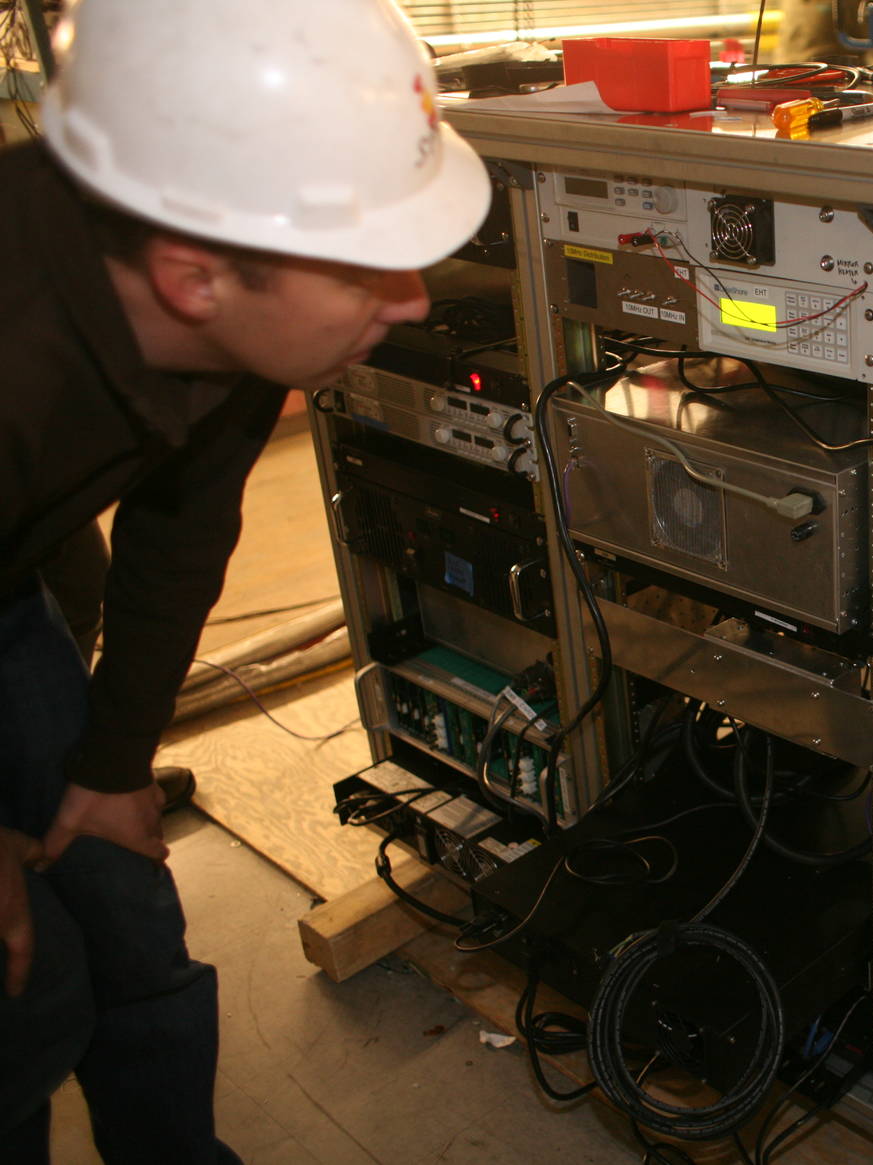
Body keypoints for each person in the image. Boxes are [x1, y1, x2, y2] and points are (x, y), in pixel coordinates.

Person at [0, 1, 489, 1160]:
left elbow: (181, 535)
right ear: (192, 277)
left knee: (119, 897)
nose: (415, 298)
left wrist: (115, 763)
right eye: (365, 265)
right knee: (23, 993)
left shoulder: (214, 308)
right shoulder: (16, 354)